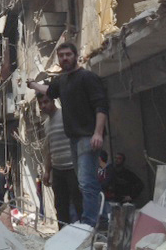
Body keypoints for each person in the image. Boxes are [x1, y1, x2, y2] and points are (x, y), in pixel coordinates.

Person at [28, 42, 109, 226]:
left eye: (68, 54)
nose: (64, 58)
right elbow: (48, 90)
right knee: (85, 184)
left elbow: (101, 106)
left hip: (88, 137)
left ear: (75, 56)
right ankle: (102, 218)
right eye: (61, 55)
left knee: (86, 183)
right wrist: (33, 85)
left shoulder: (87, 77)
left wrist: (98, 133)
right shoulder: (62, 82)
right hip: (73, 139)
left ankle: (90, 224)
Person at [37, 91, 82, 226]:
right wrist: (47, 171)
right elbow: (49, 150)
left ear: (53, 101)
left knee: (79, 203)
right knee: (60, 206)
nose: (43, 106)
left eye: (46, 102)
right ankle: (63, 236)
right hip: (58, 171)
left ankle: (84, 235)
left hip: (73, 168)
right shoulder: (46, 124)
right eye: (40, 103)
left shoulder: (66, 116)